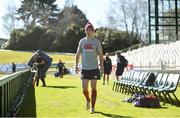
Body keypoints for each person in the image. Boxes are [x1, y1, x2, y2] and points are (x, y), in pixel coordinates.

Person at [75, 21, 104, 113]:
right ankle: (88, 100)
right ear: (85, 31)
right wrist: (76, 65)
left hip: (94, 68)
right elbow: (77, 54)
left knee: (94, 87)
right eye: (87, 30)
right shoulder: (82, 41)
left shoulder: (96, 42)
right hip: (84, 69)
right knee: (84, 89)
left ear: (93, 31)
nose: (88, 31)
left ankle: (93, 107)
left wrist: (102, 66)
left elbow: (100, 55)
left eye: (90, 30)